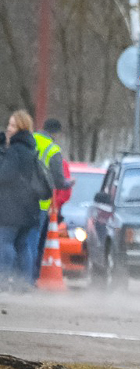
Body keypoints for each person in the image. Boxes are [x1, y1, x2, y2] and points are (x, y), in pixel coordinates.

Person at [0, 111, 44, 293]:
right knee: (22, 244)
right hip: (29, 207)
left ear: (21, 128)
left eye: (12, 125)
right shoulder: (30, 149)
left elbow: (5, 175)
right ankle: (24, 283)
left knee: (5, 243)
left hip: (12, 207)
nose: (8, 129)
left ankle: (3, 280)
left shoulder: (15, 150)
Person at [30, 117, 72, 284]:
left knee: (18, 240)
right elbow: (59, 181)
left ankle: (13, 277)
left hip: (19, 200)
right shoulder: (53, 150)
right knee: (33, 243)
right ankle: (30, 279)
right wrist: (69, 183)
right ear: (55, 133)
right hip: (40, 204)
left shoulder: (29, 140)